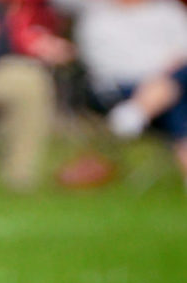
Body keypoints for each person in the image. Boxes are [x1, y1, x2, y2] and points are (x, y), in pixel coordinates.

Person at [56, 0, 187, 189]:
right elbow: (106, 65)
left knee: (176, 84)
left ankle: (138, 111)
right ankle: (145, 106)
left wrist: (163, 78)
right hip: (120, 89)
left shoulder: (168, 11)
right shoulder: (98, 15)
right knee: (176, 100)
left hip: (171, 79)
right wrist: (158, 80)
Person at [0, 0, 76, 191]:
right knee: (27, 78)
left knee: (31, 78)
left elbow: (4, 45)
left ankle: (19, 178)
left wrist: (37, 44)